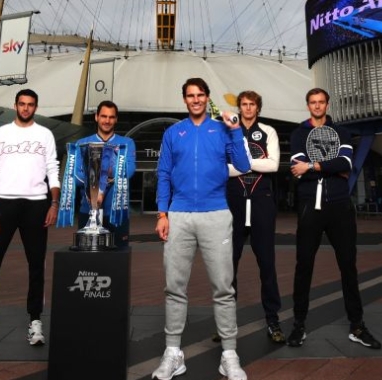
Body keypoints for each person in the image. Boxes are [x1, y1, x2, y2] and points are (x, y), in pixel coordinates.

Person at [153, 77, 251, 380]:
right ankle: (173, 353)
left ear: (207, 98)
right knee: (174, 288)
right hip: (179, 215)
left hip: (216, 215)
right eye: (190, 96)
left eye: (200, 95)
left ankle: (229, 355)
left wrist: (235, 129)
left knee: (223, 289)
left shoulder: (223, 129)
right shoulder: (173, 133)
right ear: (184, 100)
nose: (195, 100)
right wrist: (162, 214)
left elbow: (244, 165)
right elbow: (164, 174)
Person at [287, 88, 381, 350]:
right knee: (303, 265)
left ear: (327, 104)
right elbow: (297, 169)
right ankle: (298, 325)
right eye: (312, 102)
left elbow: (346, 164)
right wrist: (326, 166)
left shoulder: (341, 132)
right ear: (308, 106)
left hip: (340, 205)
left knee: (348, 265)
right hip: (309, 206)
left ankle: (357, 325)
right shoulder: (298, 134)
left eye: (321, 102)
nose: (317, 106)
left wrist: (314, 166)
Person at [0, 89, 60, 349]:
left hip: (36, 205)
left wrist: (53, 202)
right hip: (3, 204)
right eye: (22, 104)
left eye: (31, 104)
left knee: (36, 265)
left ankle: (35, 321)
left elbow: (53, 168)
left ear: (36, 106)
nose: (26, 108)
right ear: (15, 105)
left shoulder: (45, 134)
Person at [225, 90, 284, 343]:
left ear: (258, 108)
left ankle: (273, 321)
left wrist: (241, 163)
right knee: (228, 267)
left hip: (262, 203)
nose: (248, 108)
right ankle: (225, 325)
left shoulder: (268, 131)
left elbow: (273, 165)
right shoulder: (228, 130)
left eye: (252, 105)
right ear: (239, 107)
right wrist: (251, 162)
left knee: (267, 265)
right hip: (233, 204)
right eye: (244, 104)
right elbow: (221, 168)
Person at [73, 100, 136, 247]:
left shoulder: (126, 143)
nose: (107, 121)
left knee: (118, 261)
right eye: (103, 116)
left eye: (111, 117)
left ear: (116, 119)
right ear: (96, 117)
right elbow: (76, 177)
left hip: (118, 211)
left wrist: (95, 170)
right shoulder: (82, 143)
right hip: (87, 211)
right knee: (89, 262)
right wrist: (98, 185)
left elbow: (128, 171)